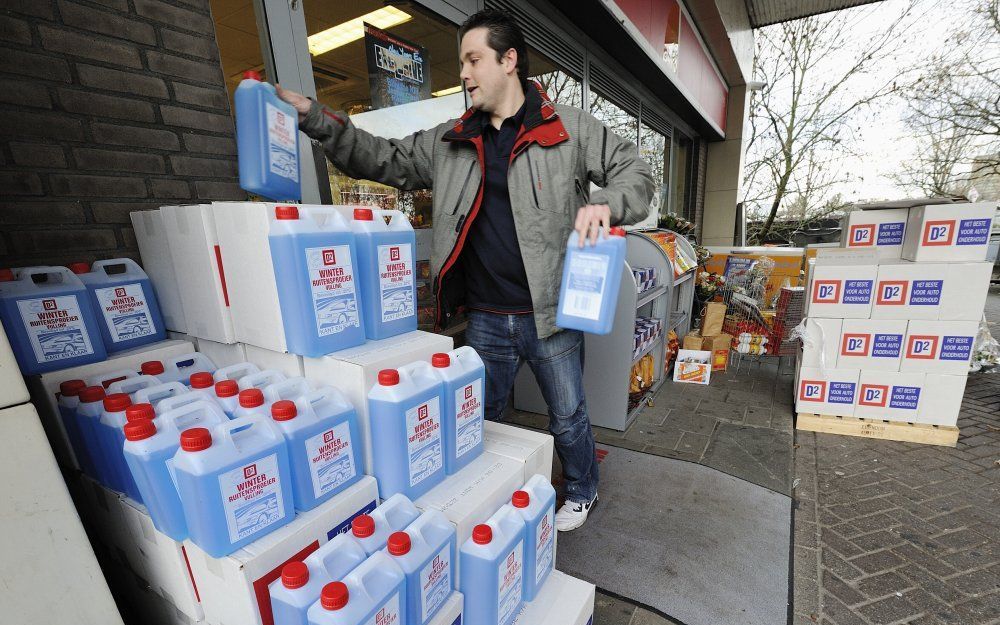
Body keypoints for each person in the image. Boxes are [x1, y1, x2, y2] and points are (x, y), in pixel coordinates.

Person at [278, 9, 654, 531]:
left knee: (568, 416)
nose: (463, 73)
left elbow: (635, 172)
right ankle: (496, 494)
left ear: (509, 61)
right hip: (483, 316)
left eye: (473, 59)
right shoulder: (450, 141)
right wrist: (317, 119)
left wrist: (608, 203)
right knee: (483, 419)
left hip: (551, 315)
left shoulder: (569, 129)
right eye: (462, 62)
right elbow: (382, 158)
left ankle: (583, 488)